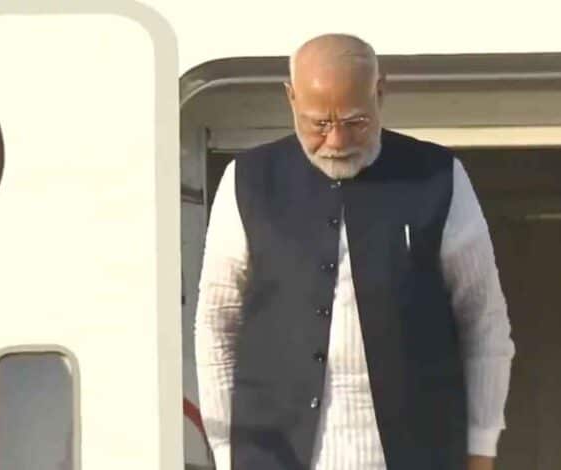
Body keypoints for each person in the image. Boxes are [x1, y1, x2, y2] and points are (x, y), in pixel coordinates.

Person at [194, 33, 515, 470]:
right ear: (290, 98)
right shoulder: (246, 181)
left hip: (419, 454)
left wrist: (481, 447)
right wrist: (226, 453)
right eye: (319, 124)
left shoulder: (439, 177)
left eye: (355, 121)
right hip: (274, 457)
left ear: (380, 92)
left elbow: (484, 320)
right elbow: (216, 325)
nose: (337, 140)